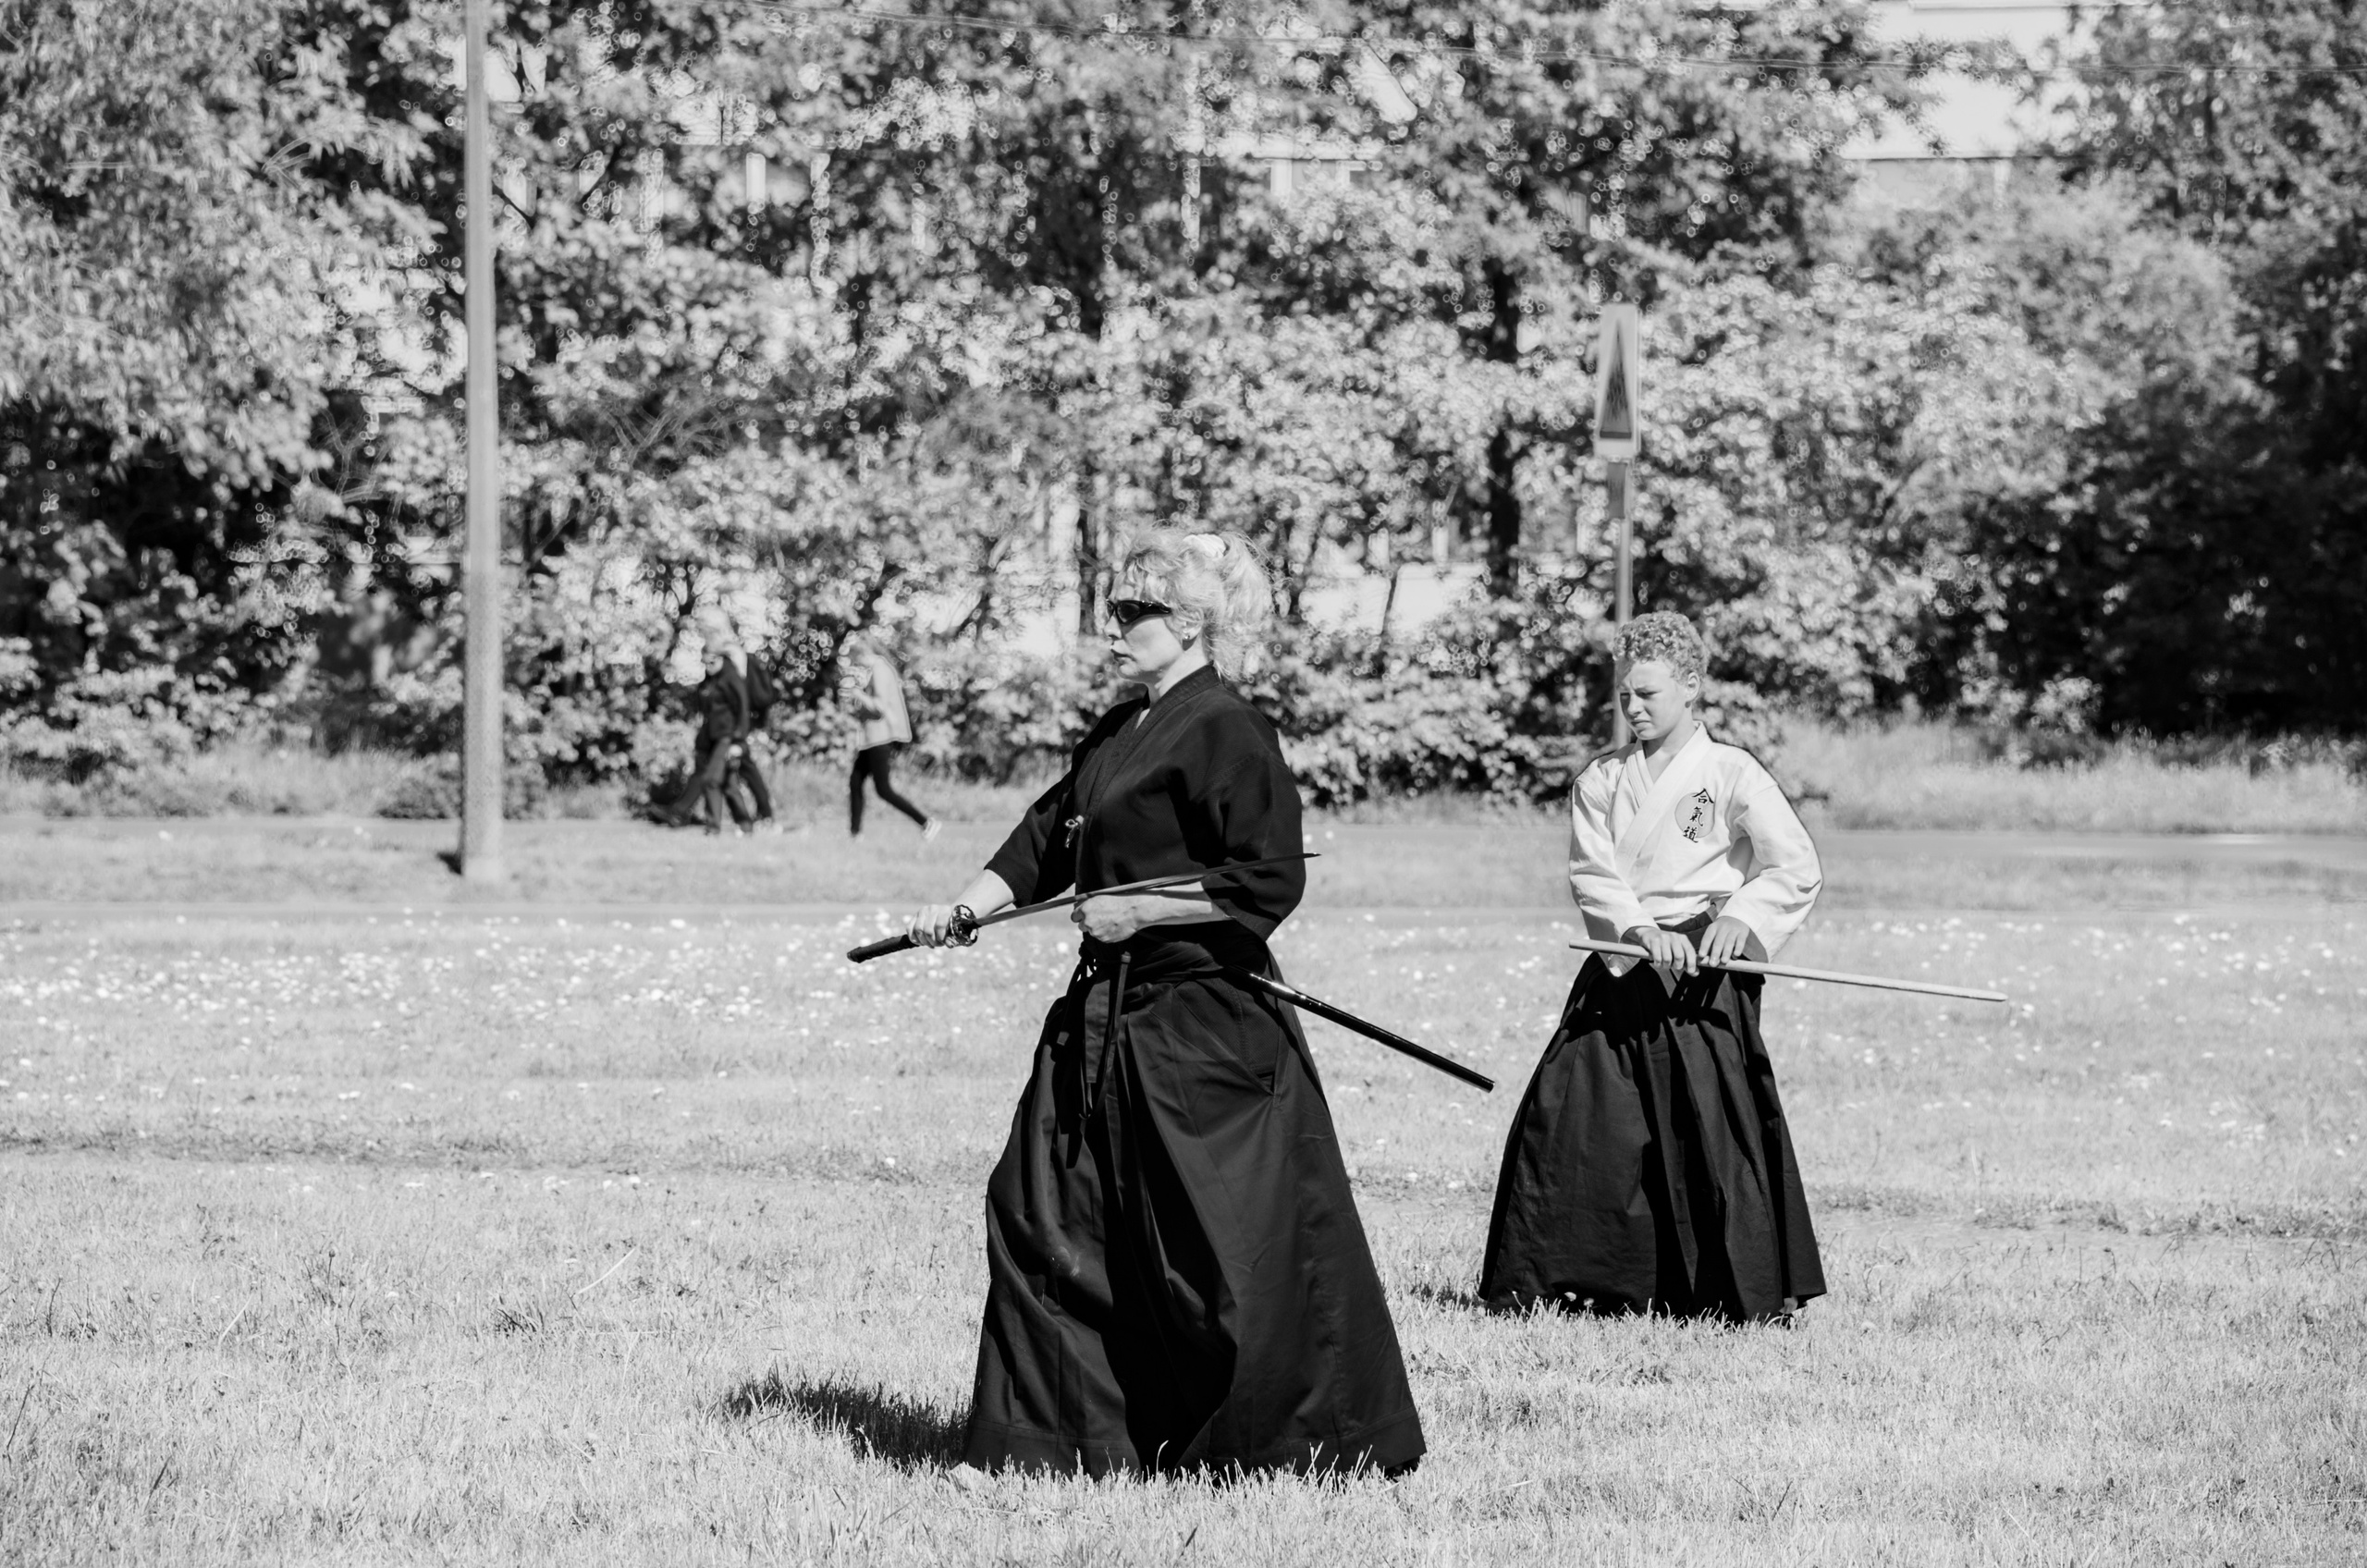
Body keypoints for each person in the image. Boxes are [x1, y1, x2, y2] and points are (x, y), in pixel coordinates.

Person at [902, 530, 1424, 1479]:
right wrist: (966, 906)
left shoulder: (1231, 729)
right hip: (1101, 1020)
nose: (1116, 628)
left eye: (1134, 612)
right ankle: (1049, 1444)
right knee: (1036, 1211)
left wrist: (1144, 905)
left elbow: (1265, 883)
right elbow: (1044, 842)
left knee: (1219, 1249)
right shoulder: (1115, 731)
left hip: (1203, 1027)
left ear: (1189, 624)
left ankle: (1294, 1441)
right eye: (1113, 610)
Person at [1478, 610, 1825, 1324]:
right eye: (1624, 695)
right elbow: (1591, 874)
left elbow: (1794, 867)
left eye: (1649, 694)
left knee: (1709, 1124)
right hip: (1624, 960)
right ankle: (1573, 1279)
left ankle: (1729, 1290)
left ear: (1691, 687)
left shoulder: (1731, 772)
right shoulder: (1603, 781)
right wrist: (1636, 928)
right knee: (1571, 1112)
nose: (1632, 709)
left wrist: (1740, 919)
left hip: (1704, 968)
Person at [654, 635, 753, 835]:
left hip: (728, 738)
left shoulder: (732, 679)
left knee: (711, 780)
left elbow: (743, 710)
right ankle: (745, 825)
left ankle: (713, 828)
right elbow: (705, 715)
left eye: (712, 662)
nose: (708, 666)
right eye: (704, 662)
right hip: (710, 740)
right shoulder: (710, 681)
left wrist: (738, 743)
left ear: (722, 659)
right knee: (728, 783)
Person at [843, 634, 937, 839]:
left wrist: (857, 694)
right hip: (871, 738)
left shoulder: (879, 669)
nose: (854, 663)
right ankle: (854, 833)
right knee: (855, 782)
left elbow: (880, 707)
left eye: (854, 659)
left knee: (883, 789)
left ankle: (926, 822)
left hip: (880, 737)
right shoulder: (878, 669)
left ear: (863, 653)